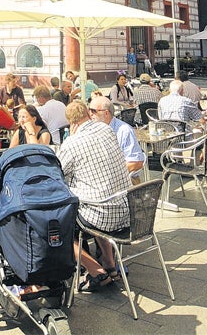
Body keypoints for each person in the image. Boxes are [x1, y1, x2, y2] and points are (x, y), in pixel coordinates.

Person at [59, 100, 131, 291]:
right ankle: (109, 264)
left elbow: (58, 174)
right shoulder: (106, 130)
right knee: (99, 198)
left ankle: (95, 270)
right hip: (127, 209)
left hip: (101, 214)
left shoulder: (72, 143)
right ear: (88, 114)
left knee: (57, 227)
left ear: (70, 122)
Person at [88, 97, 146, 182]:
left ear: (106, 113)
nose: (90, 114)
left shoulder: (124, 130)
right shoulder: (92, 129)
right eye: (89, 110)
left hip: (124, 180)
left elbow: (136, 163)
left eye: (93, 111)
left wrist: (108, 174)